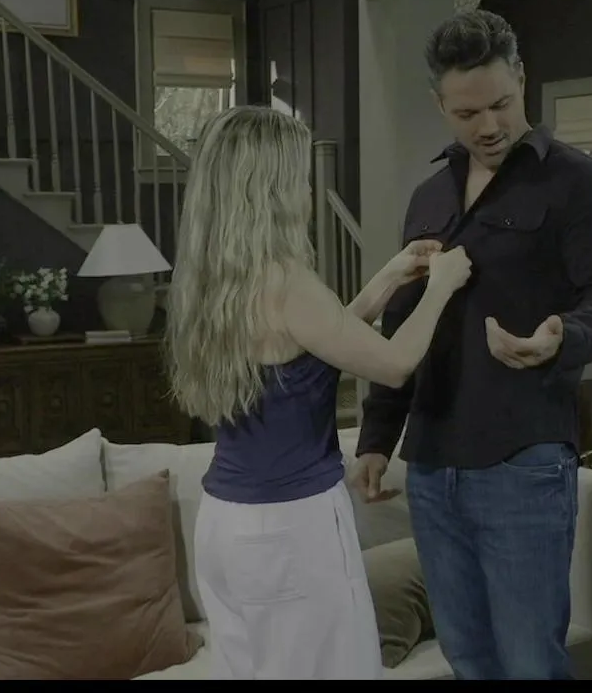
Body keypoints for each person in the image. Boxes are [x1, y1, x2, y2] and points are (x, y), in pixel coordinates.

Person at [350, 10, 592, 680]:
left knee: (530, 663)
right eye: (467, 112)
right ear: (440, 106)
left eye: (501, 104)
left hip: (523, 462)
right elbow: (404, 321)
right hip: (431, 465)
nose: (488, 125)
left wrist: (564, 334)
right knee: (467, 659)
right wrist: (376, 436)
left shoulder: (579, 184)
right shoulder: (429, 196)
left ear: (521, 79)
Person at [166, 105, 473, 680]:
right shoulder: (288, 283)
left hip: (227, 527)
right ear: (273, 191)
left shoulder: (213, 280)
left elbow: (315, 346)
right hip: (290, 527)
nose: (308, 193)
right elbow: (394, 365)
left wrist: (388, 277)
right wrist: (442, 288)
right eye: (301, 179)